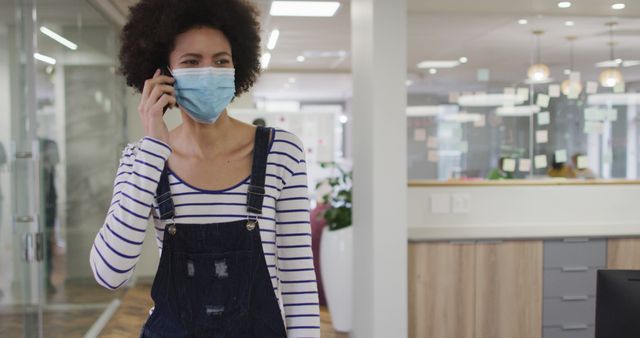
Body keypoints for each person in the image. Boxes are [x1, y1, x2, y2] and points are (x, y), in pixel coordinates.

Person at [89, 1, 320, 337]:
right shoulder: (140, 159)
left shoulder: (280, 152)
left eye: (221, 61)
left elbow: (299, 280)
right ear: (163, 73)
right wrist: (154, 145)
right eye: (192, 62)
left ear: (237, 66)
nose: (209, 71)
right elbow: (110, 273)